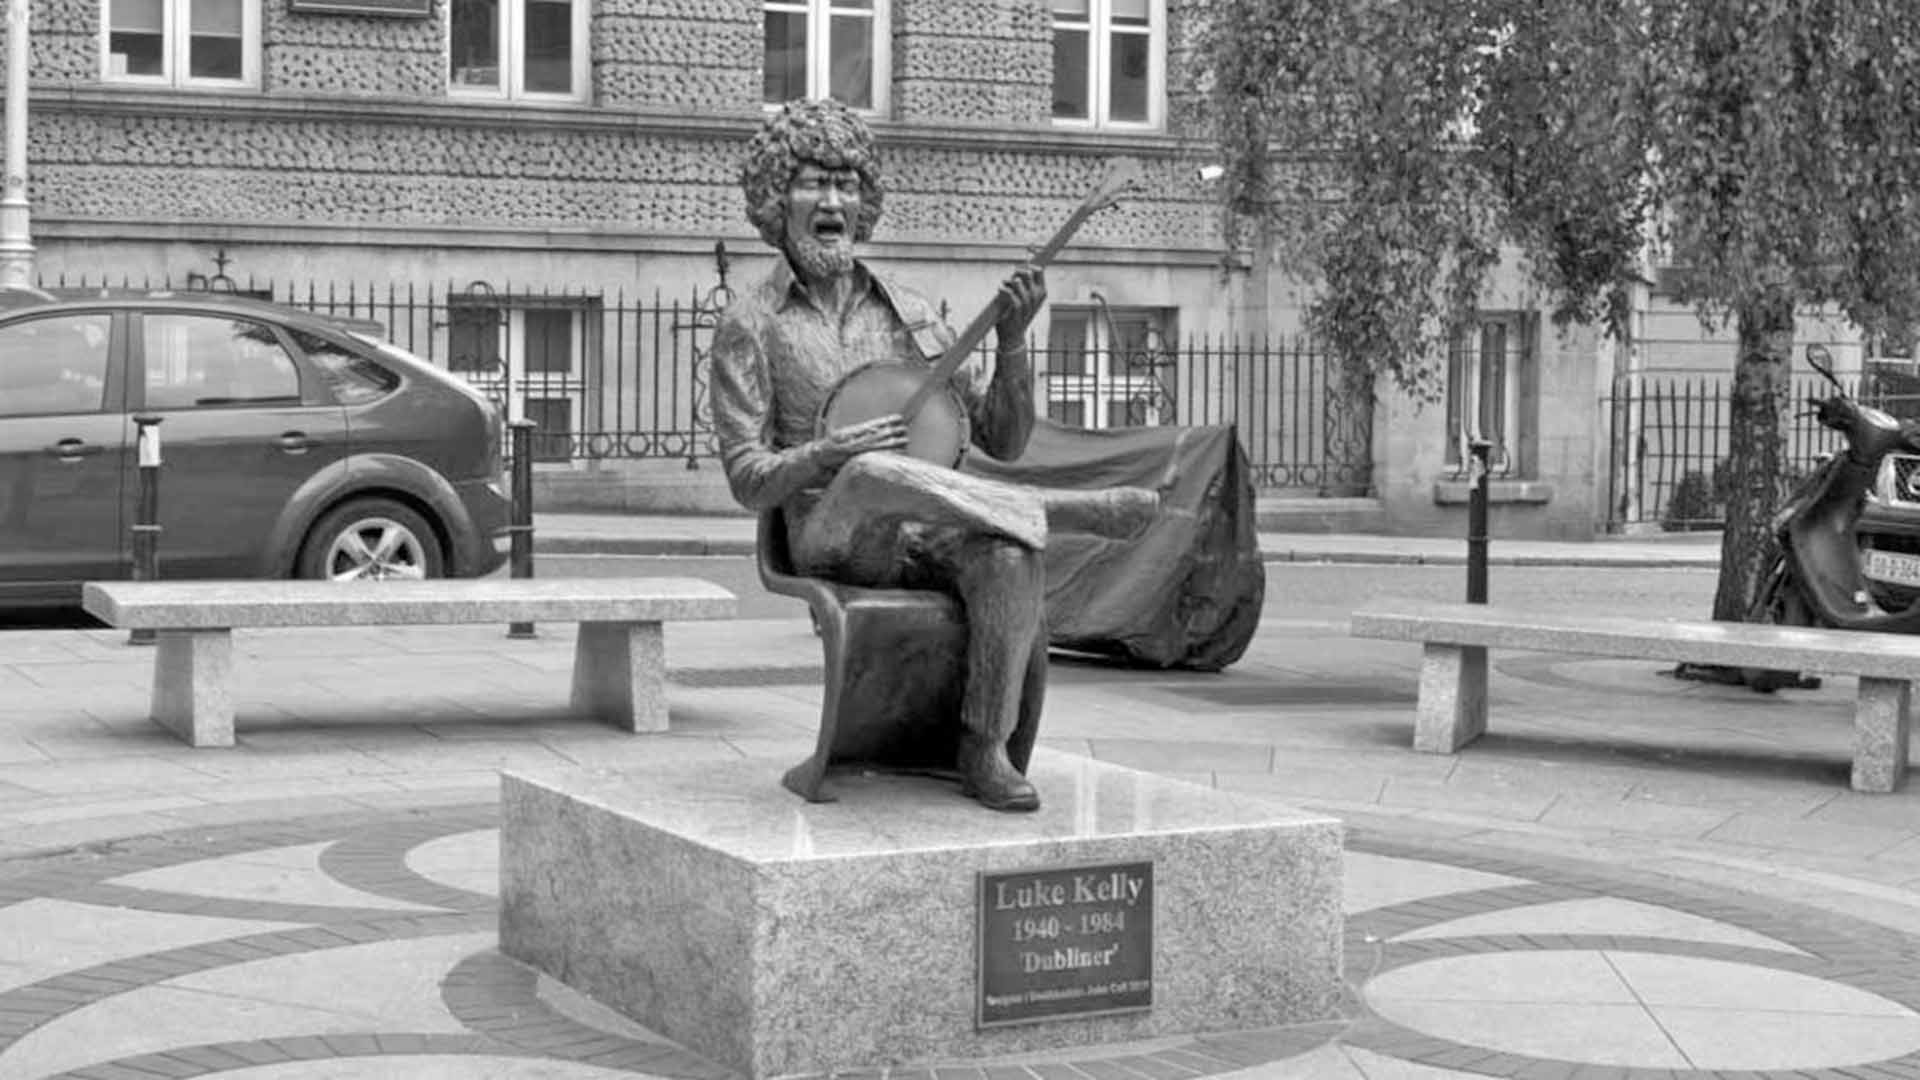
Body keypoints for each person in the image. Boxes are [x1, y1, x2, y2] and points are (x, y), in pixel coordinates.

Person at [710, 99, 1157, 812]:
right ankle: (1061, 510)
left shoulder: (908, 311)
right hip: (830, 535)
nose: (833, 201)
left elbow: (1002, 440)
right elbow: (746, 477)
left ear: (866, 201)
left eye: (847, 183)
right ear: (776, 199)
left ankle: (984, 750)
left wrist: (1012, 342)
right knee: (869, 472)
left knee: (1010, 556)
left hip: (924, 530)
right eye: (813, 183)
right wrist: (824, 454)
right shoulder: (752, 324)